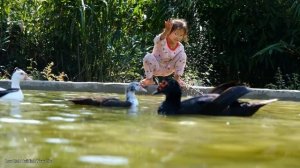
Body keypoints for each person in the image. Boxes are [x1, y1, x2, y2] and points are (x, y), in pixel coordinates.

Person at [140, 18, 188, 87]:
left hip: (169, 68)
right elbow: (156, 40)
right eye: (176, 33)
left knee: (183, 55)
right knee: (147, 57)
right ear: (169, 32)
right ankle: (149, 79)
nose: (178, 37)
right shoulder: (162, 40)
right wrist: (166, 31)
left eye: (181, 35)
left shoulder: (180, 47)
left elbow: (181, 61)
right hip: (156, 66)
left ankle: (177, 78)